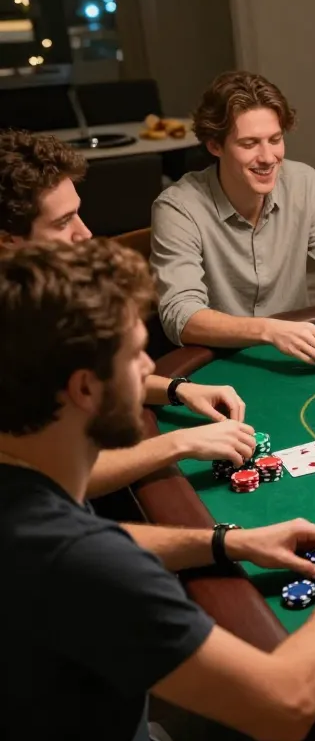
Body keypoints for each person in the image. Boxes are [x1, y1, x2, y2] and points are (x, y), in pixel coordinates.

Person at [0, 237, 315, 741]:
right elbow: (284, 706)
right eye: (134, 353)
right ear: (85, 389)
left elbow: (89, 537)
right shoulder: (79, 563)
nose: (149, 369)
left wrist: (226, 542)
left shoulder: (25, 490)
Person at [0, 128, 256, 498]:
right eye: (62, 223)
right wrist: (179, 444)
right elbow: (54, 483)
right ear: (8, 240)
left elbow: (94, 374)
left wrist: (177, 389)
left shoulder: (39, 289)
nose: (84, 234)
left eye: (78, 214)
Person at [151, 70, 315, 365]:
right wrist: (269, 330)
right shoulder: (177, 207)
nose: (268, 157)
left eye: (275, 139)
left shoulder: (303, 182)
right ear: (214, 146)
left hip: (295, 359)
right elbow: (180, 315)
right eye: (249, 144)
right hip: (216, 362)